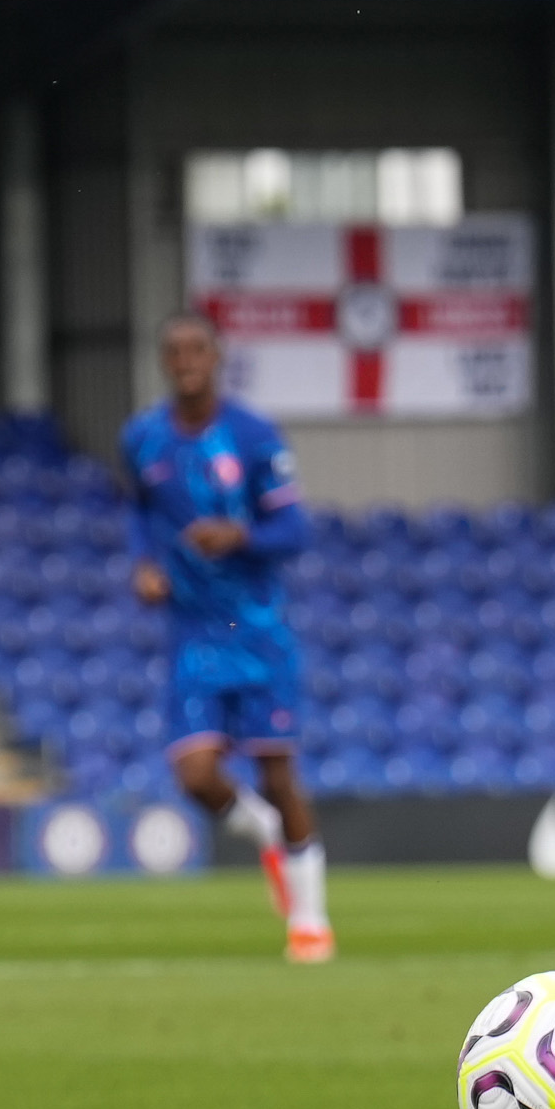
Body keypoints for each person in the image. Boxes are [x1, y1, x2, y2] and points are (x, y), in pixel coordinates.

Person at [121, 310, 333, 963]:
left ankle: (310, 920)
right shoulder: (144, 438)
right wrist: (146, 563)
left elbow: (294, 531)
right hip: (193, 629)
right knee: (194, 773)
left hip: (258, 627)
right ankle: (264, 833)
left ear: (216, 358)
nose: (184, 359)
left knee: (277, 771)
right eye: (173, 349)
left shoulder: (252, 435)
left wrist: (239, 535)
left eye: (195, 348)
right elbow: (138, 509)